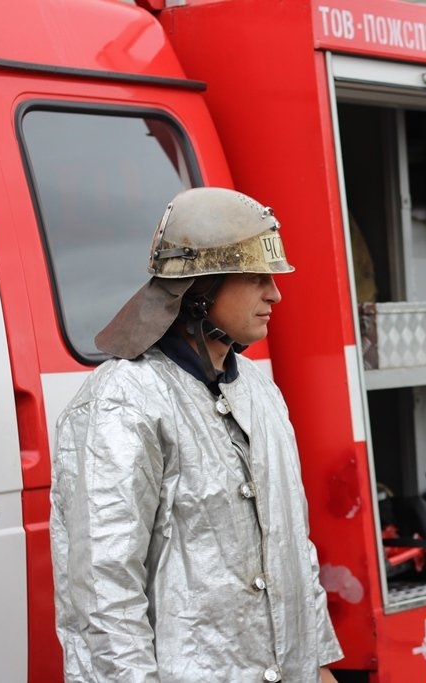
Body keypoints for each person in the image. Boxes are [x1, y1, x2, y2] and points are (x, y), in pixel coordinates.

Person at [50, 187, 343, 683]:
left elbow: (294, 547)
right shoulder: (121, 402)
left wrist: (316, 664)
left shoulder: (261, 393)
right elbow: (103, 592)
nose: (275, 294)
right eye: (257, 277)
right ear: (202, 287)